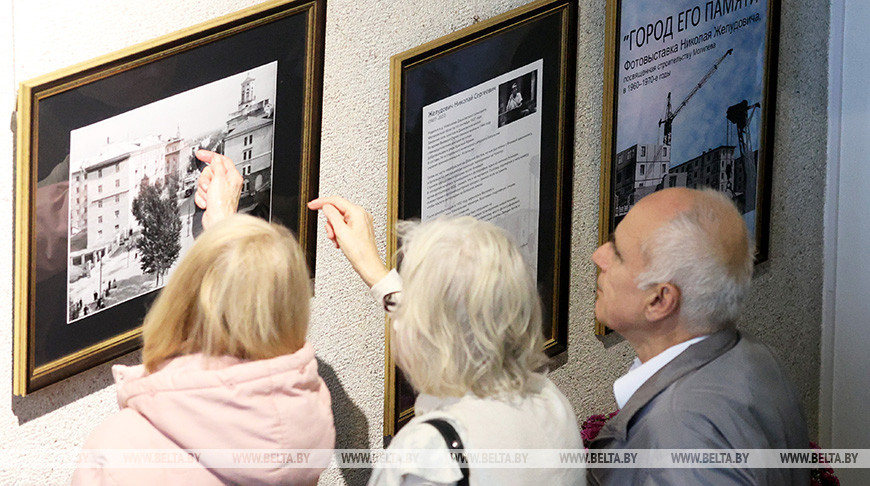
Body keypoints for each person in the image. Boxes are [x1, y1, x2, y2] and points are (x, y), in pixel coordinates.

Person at [72, 154, 335, 485]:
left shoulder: (120, 450)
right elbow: (254, 321)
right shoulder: (303, 417)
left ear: (180, 299)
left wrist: (218, 245)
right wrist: (224, 231)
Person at [308, 196, 584, 486]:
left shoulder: (427, 453)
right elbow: (462, 318)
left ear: (426, 332)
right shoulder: (551, 401)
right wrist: (373, 269)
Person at [586, 187, 808, 485]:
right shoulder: (757, 357)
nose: (598, 255)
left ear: (659, 301)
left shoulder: (679, 439)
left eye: (618, 252)